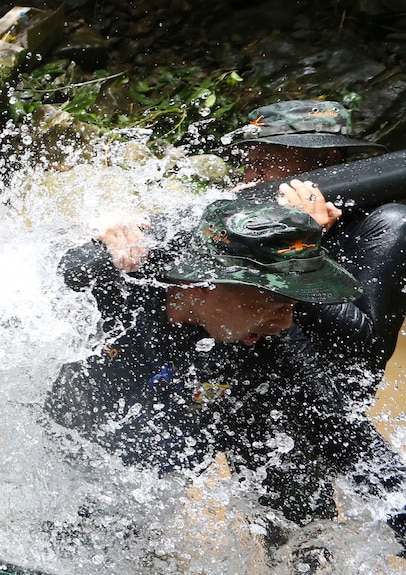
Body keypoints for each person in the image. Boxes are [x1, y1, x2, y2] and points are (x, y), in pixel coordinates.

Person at [46, 198, 406, 557]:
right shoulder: (113, 278)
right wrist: (91, 227)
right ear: (206, 283)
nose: (283, 323)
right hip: (62, 462)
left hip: (153, 476)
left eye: (291, 307)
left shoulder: (271, 346)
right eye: (274, 304)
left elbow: (351, 443)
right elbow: (20, 277)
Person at [224, 100, 406, 405]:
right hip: (236, 398)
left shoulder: (387, 223)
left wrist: (299, 250)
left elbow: (363, 348)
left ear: (326, 160)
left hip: (321, 409)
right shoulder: (249, 221)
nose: (251, 178)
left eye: (265, 161)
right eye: (248, 162)